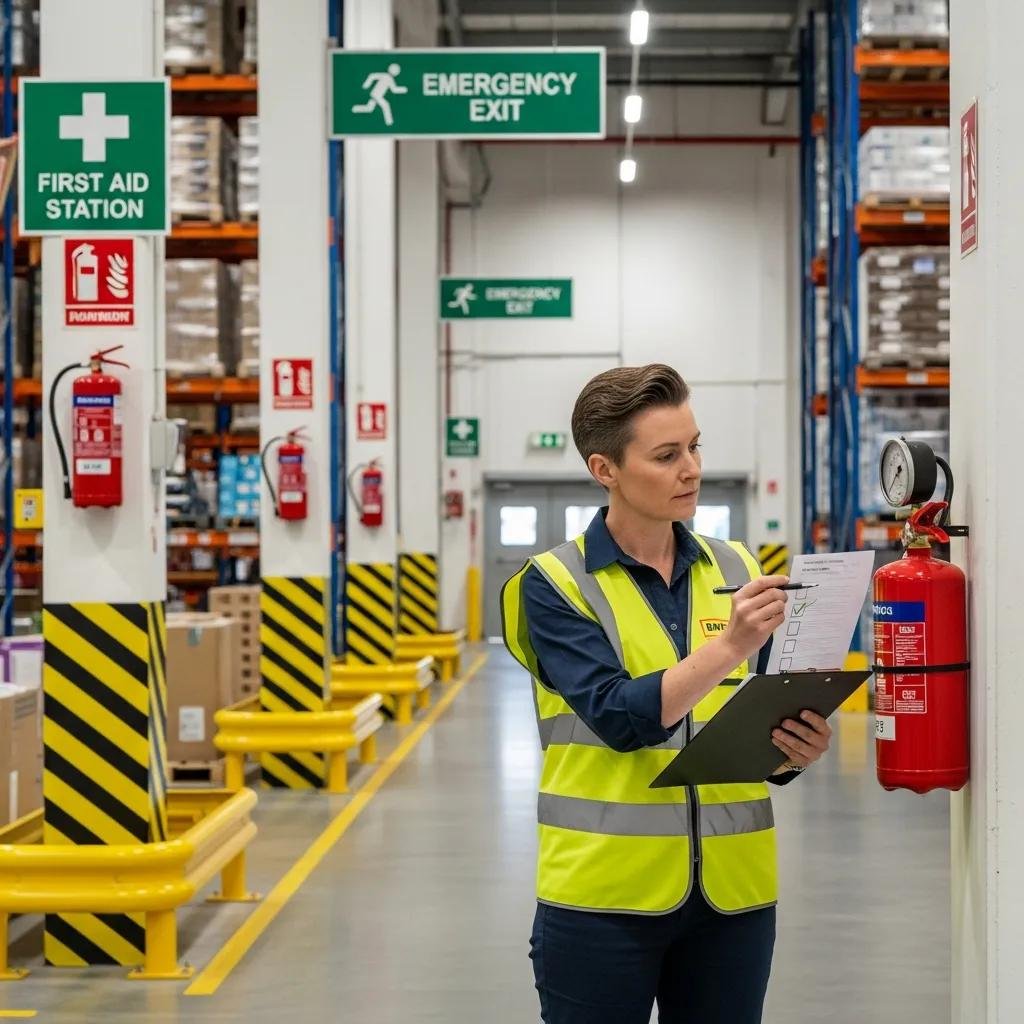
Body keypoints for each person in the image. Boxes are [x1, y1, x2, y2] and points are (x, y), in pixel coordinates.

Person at [500, 364, 832, 1024]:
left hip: (732, 899)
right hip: (602, 899)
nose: (691, 469)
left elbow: (758, 708)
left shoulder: (736, 568)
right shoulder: (553, 585)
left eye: (695, 446)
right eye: (666, 455)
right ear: (606, 469)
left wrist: (795, 750)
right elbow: (621, 717)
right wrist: (728, 646)